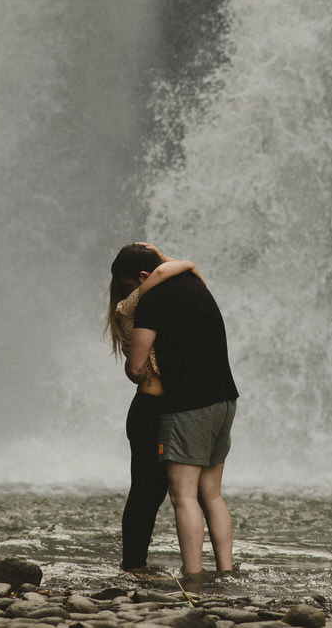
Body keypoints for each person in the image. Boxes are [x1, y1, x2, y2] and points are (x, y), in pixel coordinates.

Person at [116, 242, 240, 581]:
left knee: (182, 496)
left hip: (188, 404)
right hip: (225, 400)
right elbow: (174, 264)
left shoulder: (152, 301)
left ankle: (193, 576)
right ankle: (227, 571)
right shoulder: (194, 282)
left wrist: (134, 361)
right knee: (212, 494)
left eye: (130, 286)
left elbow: (137, 367)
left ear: (143, 277)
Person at [105, 243, 195, 571]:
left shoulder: (149, 303)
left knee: (148, 493)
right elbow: (180, 267)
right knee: (147, 493)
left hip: (153, 409)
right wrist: (161, 257)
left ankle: (134, 564)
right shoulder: (133, 307)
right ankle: (133, 564)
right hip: (149, 411)